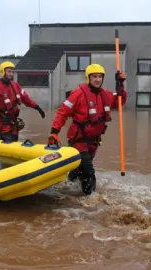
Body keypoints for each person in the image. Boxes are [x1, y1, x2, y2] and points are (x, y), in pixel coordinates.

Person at [47, 64, 127, 195]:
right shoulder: (77, 94)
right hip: (78, 141)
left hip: (94, 142)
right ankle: (91, 203)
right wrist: (54, 132)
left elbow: (120, 101)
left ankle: (66, 190)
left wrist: (120, 87)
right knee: (89, 172)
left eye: (100, 77)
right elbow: (62, 113)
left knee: (78, 170)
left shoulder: (105, 95)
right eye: (94, 76)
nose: (97, 79)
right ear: (88, 78)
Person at [0, 61, 46, 143]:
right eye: (9, 72)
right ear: (3, 72)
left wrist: (37, 108)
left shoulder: (15, 85)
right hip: (2, 123)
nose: (11, 74)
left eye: (12, 72)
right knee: (7, 143)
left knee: (14, 140)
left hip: (13, 122)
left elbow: (26, 99)